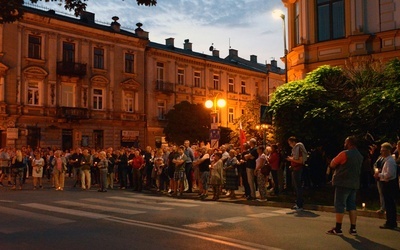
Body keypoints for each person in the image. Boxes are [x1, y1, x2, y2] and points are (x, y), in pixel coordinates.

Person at [326, 136, 363, 236]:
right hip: (354, 183)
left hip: (342, 183)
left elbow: (333, 163)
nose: (344, 144)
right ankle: (353, 228)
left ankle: (338, 228)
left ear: (349, 143)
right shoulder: (360, 156)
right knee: (352, 206)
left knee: (339, 205)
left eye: (345, 142)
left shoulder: (344, 154)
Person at [373, 142, 398, 229]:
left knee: (390, 204)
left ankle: (391, 222)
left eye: (382, 150)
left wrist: (379, 175)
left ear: (387, 151)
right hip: (387, 183)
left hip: (389, 184)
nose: (381, 152)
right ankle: (390, 221)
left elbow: (389, 174)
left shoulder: (390, 161)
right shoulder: (387, 160)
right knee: (388, 203)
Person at [286, 136, 307, 211]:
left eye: (290, 143)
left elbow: (300, 161)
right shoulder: (297, 149)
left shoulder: (298, 149)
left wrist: (291, 159)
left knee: (298, 187)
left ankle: (299, 204)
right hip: (295, 169)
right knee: (296, 187)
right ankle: (298, 203)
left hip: (298, 169)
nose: (290, 145)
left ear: (294, 142)